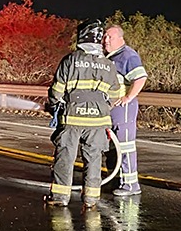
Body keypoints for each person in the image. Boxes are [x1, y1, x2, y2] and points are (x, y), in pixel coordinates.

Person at [45, 19, 123, 208]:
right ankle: (91, 199)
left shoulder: (70, 61)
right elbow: (115, 95)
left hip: (72, 119)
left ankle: (60, 198)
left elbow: (56, 92)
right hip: (98, 121)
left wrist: (54, 106)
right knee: (94, 159)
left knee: (65, 158)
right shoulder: (108, 64)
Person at [103, 24, 148, 196]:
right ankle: (114, 179)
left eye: (110, 37)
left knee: (125, 145)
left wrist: (128, 98)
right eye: (105, 37)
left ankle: (130, 185)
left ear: (120, 39)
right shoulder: (110, 57)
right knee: (111, 145)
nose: (106, 40)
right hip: (111, 108)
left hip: (123, 108)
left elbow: (140, 77)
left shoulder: (127, 55)